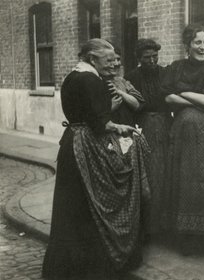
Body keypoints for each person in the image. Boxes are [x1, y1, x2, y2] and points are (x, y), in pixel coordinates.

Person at [42, 38, 150, 280]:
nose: (113, 64)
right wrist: (122, 127)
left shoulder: (73, 76)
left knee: (72, 209)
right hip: (86, 146)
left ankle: (66, 269)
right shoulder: (90, 80)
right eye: (108, 60)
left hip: (72, 142)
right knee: (92, 206)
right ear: (92, 59)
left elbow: (87, 115)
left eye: (114, 60)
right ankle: (91, 270)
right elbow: (101, 123)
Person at [161, 24, 204, 255]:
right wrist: (193, 97)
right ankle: (188, 240)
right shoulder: (176, 67)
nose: (202, 47)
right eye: (197, 42)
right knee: (186, 181)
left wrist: (180, 92)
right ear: (187, 45)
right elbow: (167, 97)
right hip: (184, 134)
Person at [125, 39, 172, 236]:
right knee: (147, 176)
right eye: (147, 58)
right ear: (139, 59)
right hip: (142, 128)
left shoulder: (165, 74)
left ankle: (164, 226)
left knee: (165, 173)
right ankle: (147, 229)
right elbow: (130, 107)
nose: (152, 61)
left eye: (155, 56)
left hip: (165, 127)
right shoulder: (131, 77)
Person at [103, 47, 145, 126]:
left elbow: (137, 105)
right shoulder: (96, 81)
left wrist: (120, 92)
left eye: (118, 59)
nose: (116, 63)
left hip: (127, 130)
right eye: (110, 61)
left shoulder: (123, 81)